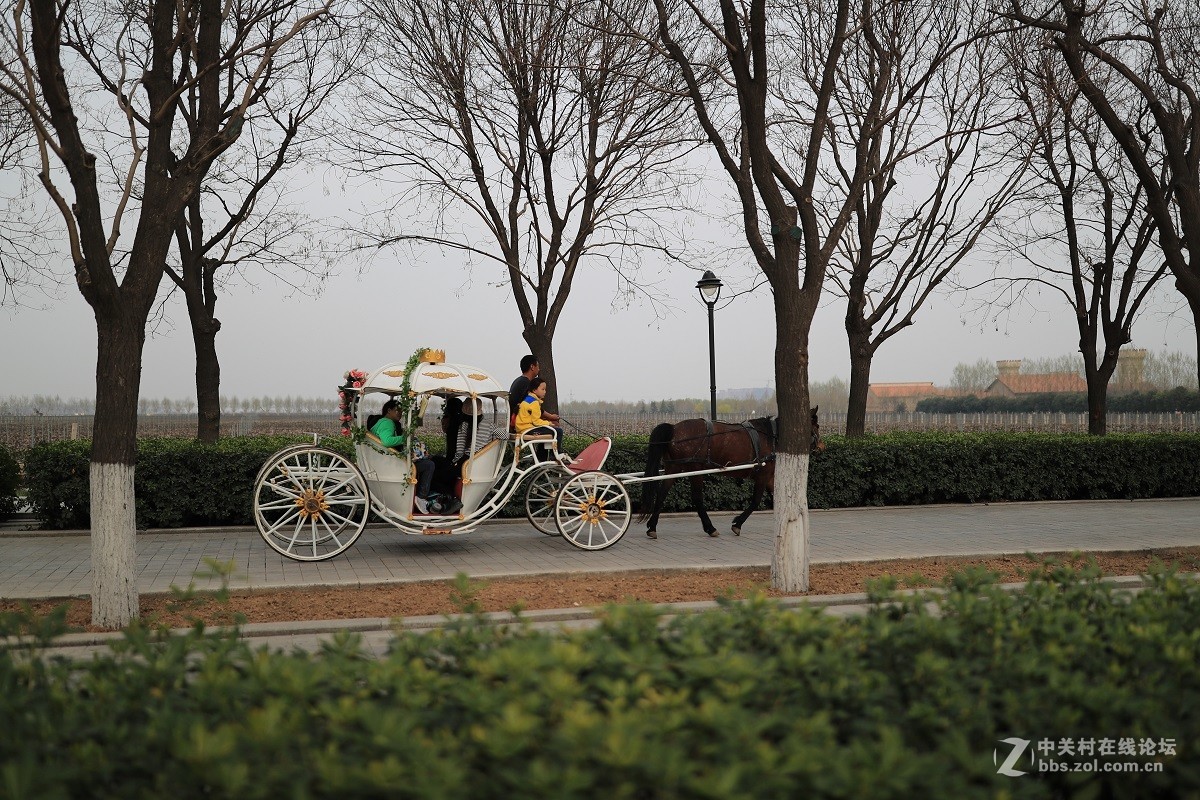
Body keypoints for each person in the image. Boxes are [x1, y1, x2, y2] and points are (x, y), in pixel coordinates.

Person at [370, 398, 436, 514]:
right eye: (397, 410)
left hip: (387, 459)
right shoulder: (387, 423)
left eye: (401, 411)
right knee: (429, 465)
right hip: (392, 463)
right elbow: (387, 441)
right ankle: (421, 497)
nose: (400, 413)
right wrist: (407, 438)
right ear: (389, 410)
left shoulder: (381, 422)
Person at [514, 377, 570, 463]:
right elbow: (536, 422)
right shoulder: (534, 402)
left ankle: (541, 457)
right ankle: (555, 455)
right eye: (543, 389)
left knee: (546, 432)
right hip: (528, 429)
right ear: (534, 390)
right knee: (558, 431)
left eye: (545, 389)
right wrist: (549, 423)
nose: (545, 391)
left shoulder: (528, 400)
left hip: (523, 428)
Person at [508, 355, 560, 430]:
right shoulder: (527, 384)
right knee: (556, 426)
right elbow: (532, 407)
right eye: (538, 366)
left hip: (517, 422)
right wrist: (551, 417)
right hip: (523, 425)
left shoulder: (518, 381)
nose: (539, 369)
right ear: (532, 367)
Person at [454, 396, 506, 463]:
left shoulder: (463, 425)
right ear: (480, 409)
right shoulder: (489, 425)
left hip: (467, 462)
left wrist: (454, 461)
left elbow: (460, 451)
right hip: (484, 461)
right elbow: (505, 436)